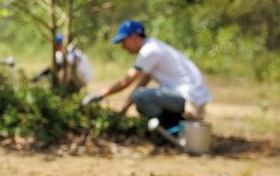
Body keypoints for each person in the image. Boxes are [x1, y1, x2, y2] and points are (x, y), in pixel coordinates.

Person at [82, 20, 211, 130]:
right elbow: (141, 84)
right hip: (192, 96)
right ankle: (171, 126)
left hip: (189, 97)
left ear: (133, 37)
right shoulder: (153, 46)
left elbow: (126, 81)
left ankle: (170, 126)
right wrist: (122, 110)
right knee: (140, 96)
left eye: (123, 41)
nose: (123, 47)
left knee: (140, 97)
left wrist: (100, 95)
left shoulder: (149, 51)